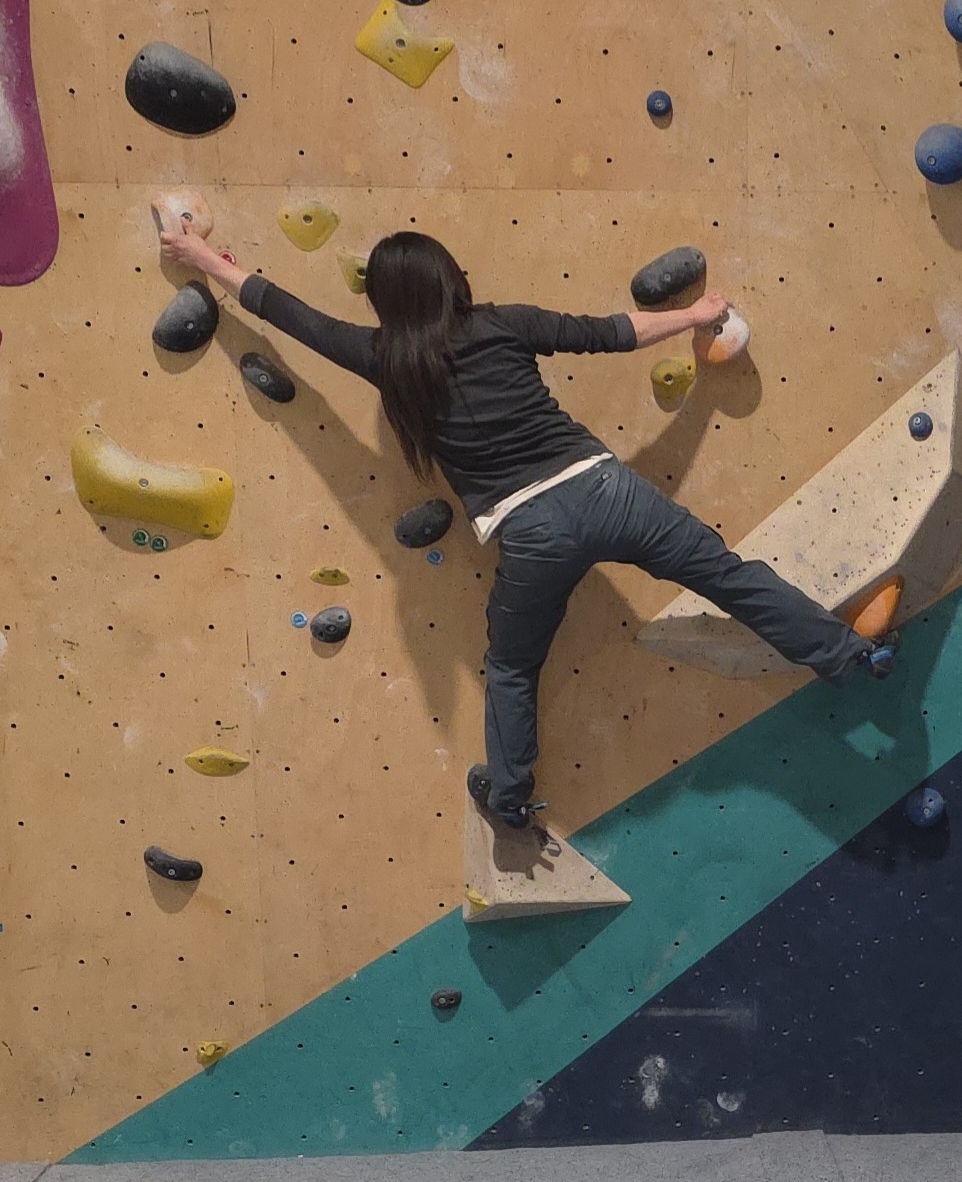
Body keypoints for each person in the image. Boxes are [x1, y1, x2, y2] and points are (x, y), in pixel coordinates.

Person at [157, 227, 894, 826]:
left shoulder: (384, 357)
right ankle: (845, 656)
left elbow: (284, 310)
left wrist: (197, 259)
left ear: (384, 300)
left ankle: (508, 797)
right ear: (451, 279)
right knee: (726, 576)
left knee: (512, 667)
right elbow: (613, 332)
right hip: (606, 492)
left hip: (531, 532)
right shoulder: (500, 324)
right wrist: (696, 318)